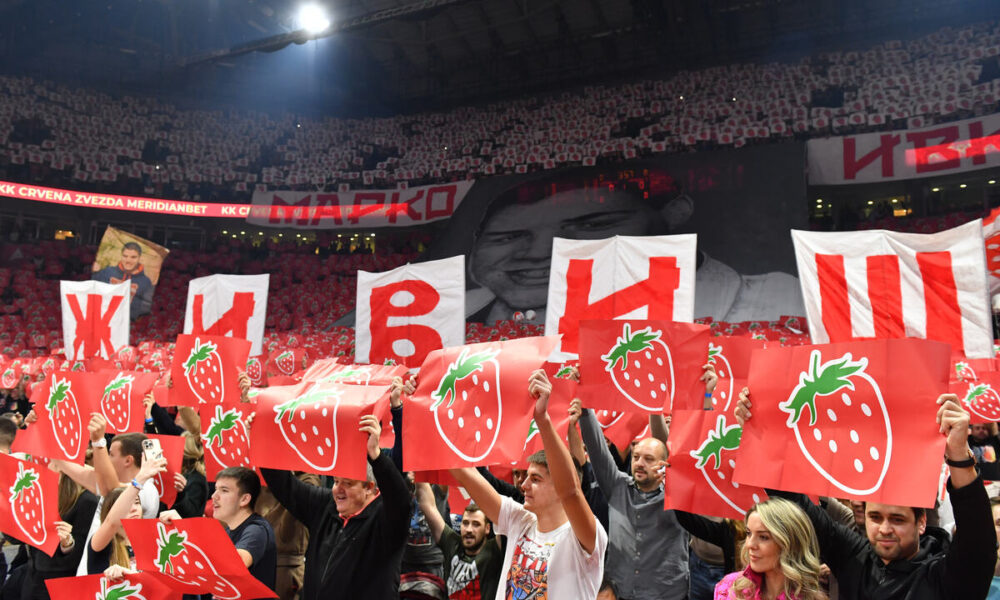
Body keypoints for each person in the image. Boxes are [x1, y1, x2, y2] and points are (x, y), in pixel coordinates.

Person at [735, 389, 996, 600]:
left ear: (922, 523)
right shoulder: (855, 557)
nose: (884, 528)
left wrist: (959, 454)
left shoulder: (949, 574)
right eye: (875, 517)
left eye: (897, 519)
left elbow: (977, 533)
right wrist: (758, 429)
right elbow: (795, 503)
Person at [463, 168, 804, 324]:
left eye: (593, 225)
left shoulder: (778, 302)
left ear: (673, 214)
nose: (541, 253)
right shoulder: (453, 314)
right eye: (508, 237)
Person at [450, 370, 608, 599]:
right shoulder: (519, 519)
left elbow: (571, 492)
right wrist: (421, 410)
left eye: (536, 479)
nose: (523, 485)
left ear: (558, 488)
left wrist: (542, 420)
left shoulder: (583, 537)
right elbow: (463, 474)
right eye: (526, 477)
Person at [258, 413, 410, 600]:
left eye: (347, 483)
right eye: (336, 481)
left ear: (369, 488)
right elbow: (284, 485)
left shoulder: (385, 520)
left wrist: (377, 457)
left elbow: (400, 499)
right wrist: (261, 439)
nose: (338, 489)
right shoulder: (325, 506)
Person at [162, 466, 276, 592]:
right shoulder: (228, 530)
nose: (214, 496)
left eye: (224, 490)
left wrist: (184, 528)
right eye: (216, 489)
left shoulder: (257, 529)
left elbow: (236, 564)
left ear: (244, 499)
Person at [714, 498, 828, 600]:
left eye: (763, 537)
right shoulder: (730, 588)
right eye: (748, 533)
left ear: (789, 544)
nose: (750, 544)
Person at [415, 481, 503, 599]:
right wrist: (418, 468)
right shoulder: (452, 543)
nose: (469, 529)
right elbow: (427, 505)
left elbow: (510, 517)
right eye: (465, 523)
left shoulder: (494, 550)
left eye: (476, 524)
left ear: (487, 528)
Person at [19, 474, 99, 600]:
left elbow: (84, 551)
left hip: (62, 582)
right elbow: (15, 538)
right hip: (34, 578)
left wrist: (68, 543)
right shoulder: (38, 494)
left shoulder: (86, 500)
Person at [87, 456, 167, 574]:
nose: (134, 509)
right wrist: (140, 479)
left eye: (137, 503)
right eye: (128, 506)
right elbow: (111, 523)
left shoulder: (152, 541)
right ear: (112, 511)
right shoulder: (102, 542)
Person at [92, 242, 154, 316]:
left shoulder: (145, 282)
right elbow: (92, 291)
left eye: (133, 257)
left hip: (129, 324)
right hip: (104, 319)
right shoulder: (108, 271)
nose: (128, 260)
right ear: (121, 256)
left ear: (139, 258)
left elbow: (145, 308)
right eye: (125, 256)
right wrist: (94, 273)